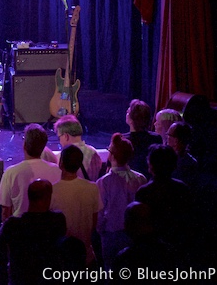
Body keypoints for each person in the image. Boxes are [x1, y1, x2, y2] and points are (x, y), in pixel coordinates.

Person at [0, 179, 84, 284]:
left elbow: (0, 244)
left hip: (21, 279)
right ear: (48, 198)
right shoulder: (57, 220)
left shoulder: (12, 225)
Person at [96, 133, 147, 268]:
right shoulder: (140, 178)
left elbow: (100, 211)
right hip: (134, 232)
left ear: (111, 155)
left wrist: (100, 230)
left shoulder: (103, 181)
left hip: (111, 232)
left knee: (110, 269)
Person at [0, 124, 62, 220]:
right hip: (49, 226)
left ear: (25, 146)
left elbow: (5, 211)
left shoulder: (11, 173)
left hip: (20, 226)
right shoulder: (57, 170)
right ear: (43, 147)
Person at [50, 145, 103, 265]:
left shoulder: (52, 190)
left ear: (61, 163)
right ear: (79, 165)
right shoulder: (92, 188)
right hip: (87, 256)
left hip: (62, 258)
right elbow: (94, 222)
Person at [46, 115, 103, 181]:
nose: (60, 141)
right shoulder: (93, 153)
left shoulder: (60, 157)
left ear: (66, 136)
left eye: (59, 137)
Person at [122, 99, 163, 177]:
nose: (126, 113)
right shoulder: (156, 138)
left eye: (128, 112)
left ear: (132, 120)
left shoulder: (123, 140)